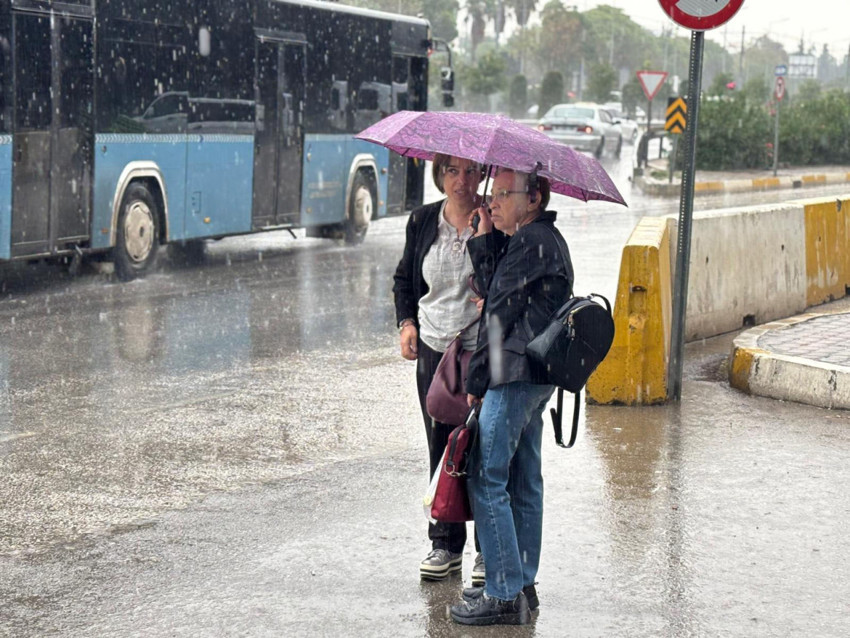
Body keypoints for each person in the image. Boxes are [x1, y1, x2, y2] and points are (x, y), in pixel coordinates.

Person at [450, 167, 574, 626]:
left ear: (534, 198)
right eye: (494, 193)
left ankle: (502, 592)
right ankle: (520, 583)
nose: (493, 201)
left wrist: (476, 382)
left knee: (487, 477)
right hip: (536, 375)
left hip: (513, 374)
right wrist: (486, 239)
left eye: (505, 194)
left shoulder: (529, 242)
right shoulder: (542, 240)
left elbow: (496, 318)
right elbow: (500, 292)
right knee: (523, 479)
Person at [393, 154, 487, 582]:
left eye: (470, 171)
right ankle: (444, 543)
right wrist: (407, 323)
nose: (461, 180)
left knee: (483, 448)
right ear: (440, 174)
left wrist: (485, 237)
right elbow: (405, 279)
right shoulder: (423, 220)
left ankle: (488, 548)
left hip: (480, 350)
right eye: (452, 171)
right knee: (441, 446)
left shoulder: (492, 220)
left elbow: (499, 281)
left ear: (481, 174)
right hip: (434, 347)